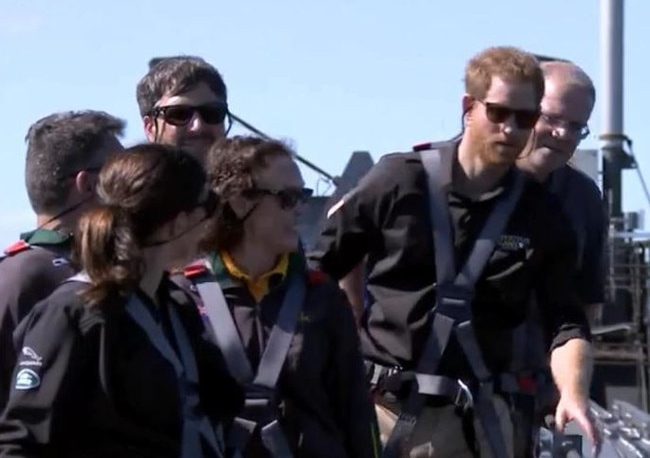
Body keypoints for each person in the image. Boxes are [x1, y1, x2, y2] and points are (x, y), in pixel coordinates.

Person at [309, 46, 596, 458]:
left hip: (482, 421)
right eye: (499, 113)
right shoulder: (398, 181)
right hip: (384, 408)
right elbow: (318, 272)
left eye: (525, 118)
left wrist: (573, 392)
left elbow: (566, 322)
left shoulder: (544, 214)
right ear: (469, 106)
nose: (512, 129)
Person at [0, 143, 242, 457]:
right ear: (178, 221)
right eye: (208, 205)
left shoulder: (174, 306)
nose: (212, 220)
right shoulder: (72, 313)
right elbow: (23, 442)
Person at [178, 136, 381, 458]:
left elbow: (355, 412)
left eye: (303, 195)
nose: (301, 208)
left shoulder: (322, 296)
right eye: (287, 198)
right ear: (240, 201)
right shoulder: (182, 296)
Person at [510, 60, 606, 456]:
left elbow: (583, 307)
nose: (563, 134)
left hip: (537, 396)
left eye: (576, 127)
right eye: (552, 118)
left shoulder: (583, 199)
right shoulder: (450, 178)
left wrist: (569, 387)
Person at [0, 110, 125, 410]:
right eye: (120, 174)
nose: (131, 186)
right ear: (88, 184)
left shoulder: (15, 276)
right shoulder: (29, 278)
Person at [136, 55, 230, 163]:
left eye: (211, 113)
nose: (197, 127)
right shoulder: (126, 179)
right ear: (150, 128)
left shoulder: (250, 177)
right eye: (179, 114)